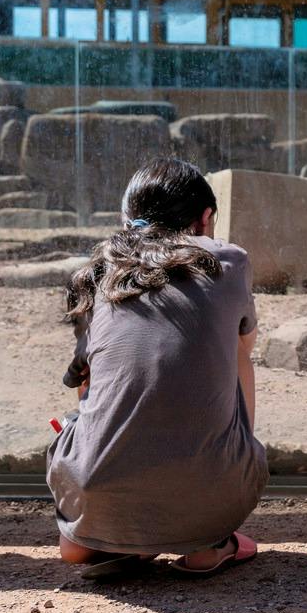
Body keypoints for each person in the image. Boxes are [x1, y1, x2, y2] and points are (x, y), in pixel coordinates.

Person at [49, 158, 266, 580]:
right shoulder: (228, 261)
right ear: (205, 219)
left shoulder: (95, 273)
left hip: (98, 490)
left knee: (73, 548)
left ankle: (113, 534)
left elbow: (87, 380)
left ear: (125, 217)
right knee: (236, 349)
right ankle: (211, 541)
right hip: (215, 495)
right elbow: (246, 344)